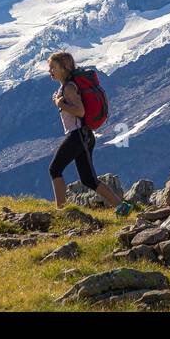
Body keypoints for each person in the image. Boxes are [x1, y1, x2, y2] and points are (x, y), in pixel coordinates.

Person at [47, 51, 131, 216]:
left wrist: (60, 103)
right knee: (88, 179)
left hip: (78, 135)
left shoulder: (69, 88)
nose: (50, 71)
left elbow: (80, 112)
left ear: (64, 68)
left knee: (54, 168)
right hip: (84, 136)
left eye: (53, 67)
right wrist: (59, 101)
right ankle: (122, 207)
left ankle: (61, 211)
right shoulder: (65, 87)